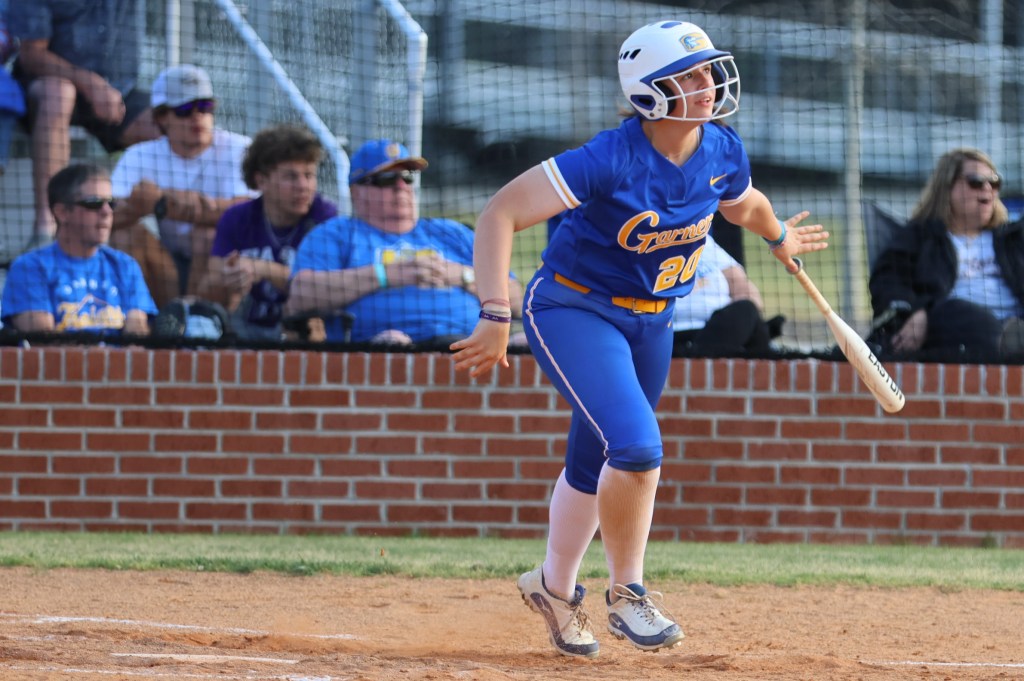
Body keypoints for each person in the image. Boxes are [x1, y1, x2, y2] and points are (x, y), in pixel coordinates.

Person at [449, 20, 828, 657]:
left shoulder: (720, 147)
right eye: (688, 75)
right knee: (637, 447)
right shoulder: (609, 157)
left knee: (595, 460)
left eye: (707, 71)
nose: (707, 84)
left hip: (654, 321)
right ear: (650, 93)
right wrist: (493, 312)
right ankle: (628, 594)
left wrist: (778, 236)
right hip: (574, 309)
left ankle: (553, 588)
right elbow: (500, 213)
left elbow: (743, 204)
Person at [288, 139, 523, 347]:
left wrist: (462, 276)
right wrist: (386, 275)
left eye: (407, 177)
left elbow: (515, 298)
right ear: (356, 191)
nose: (401, 187)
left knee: (525, 343)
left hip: (470, 344)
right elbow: (301, 295)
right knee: (393, 342)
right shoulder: (337, 233)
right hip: (381, 348)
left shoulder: (452, 232)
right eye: (387, 179)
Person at [8, 0, 160, 250]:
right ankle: (49, 229)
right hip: (49, 86)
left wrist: (103, 89)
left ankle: (177, 239)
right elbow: (32, 55)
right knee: (59, 95)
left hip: (118, 91)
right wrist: (90, 83)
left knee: (169, 124)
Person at [110, 64, 254, 310]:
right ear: (161, 117)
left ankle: (200, 320)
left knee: (207, 234)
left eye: (205, 106)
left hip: (223, 265)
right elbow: (106, 215)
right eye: (184, 110)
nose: (197, 117)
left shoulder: (239, 149)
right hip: (165, 265)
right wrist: (134, 207)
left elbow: (249, 210)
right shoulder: (139, 155)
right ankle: (159, 319)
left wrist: (163, 203)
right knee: (125, 235)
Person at [868, 148, 1024, 362]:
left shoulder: (1013, 239)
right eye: (976, 182)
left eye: (994, 182)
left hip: (1014, 323)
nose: (987, 188)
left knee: (1011, 333)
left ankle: (1011, 341)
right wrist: (916, 310)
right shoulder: (921, 236)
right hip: (951, 324)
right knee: (964, 314)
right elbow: (887, 281)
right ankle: (1007, 341)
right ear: (948, 187)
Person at [200, 123, 338, 341]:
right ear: (261, 180)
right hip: (244, 331)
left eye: (309, 175)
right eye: (291, 177)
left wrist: (263, 269)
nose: (303, 186)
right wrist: (229, 279)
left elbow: (326, 290)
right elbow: (209, 289)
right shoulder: (236, 218)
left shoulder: (325, 218)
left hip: (302, 334)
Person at [1, 163, 156, 334]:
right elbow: (42, 340)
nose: (107, 212)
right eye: (94, 203)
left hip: (114, 353)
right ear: (62, 212)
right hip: (62, 354)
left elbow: (137, 333)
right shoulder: (29, 267)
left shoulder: (125, 265)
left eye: (111, 203)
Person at [672, 232, 780, 357]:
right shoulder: (654, 240)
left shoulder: (702, 239)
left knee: (747, 310)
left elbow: (747, 292)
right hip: (673, 332)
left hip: (718, 328)